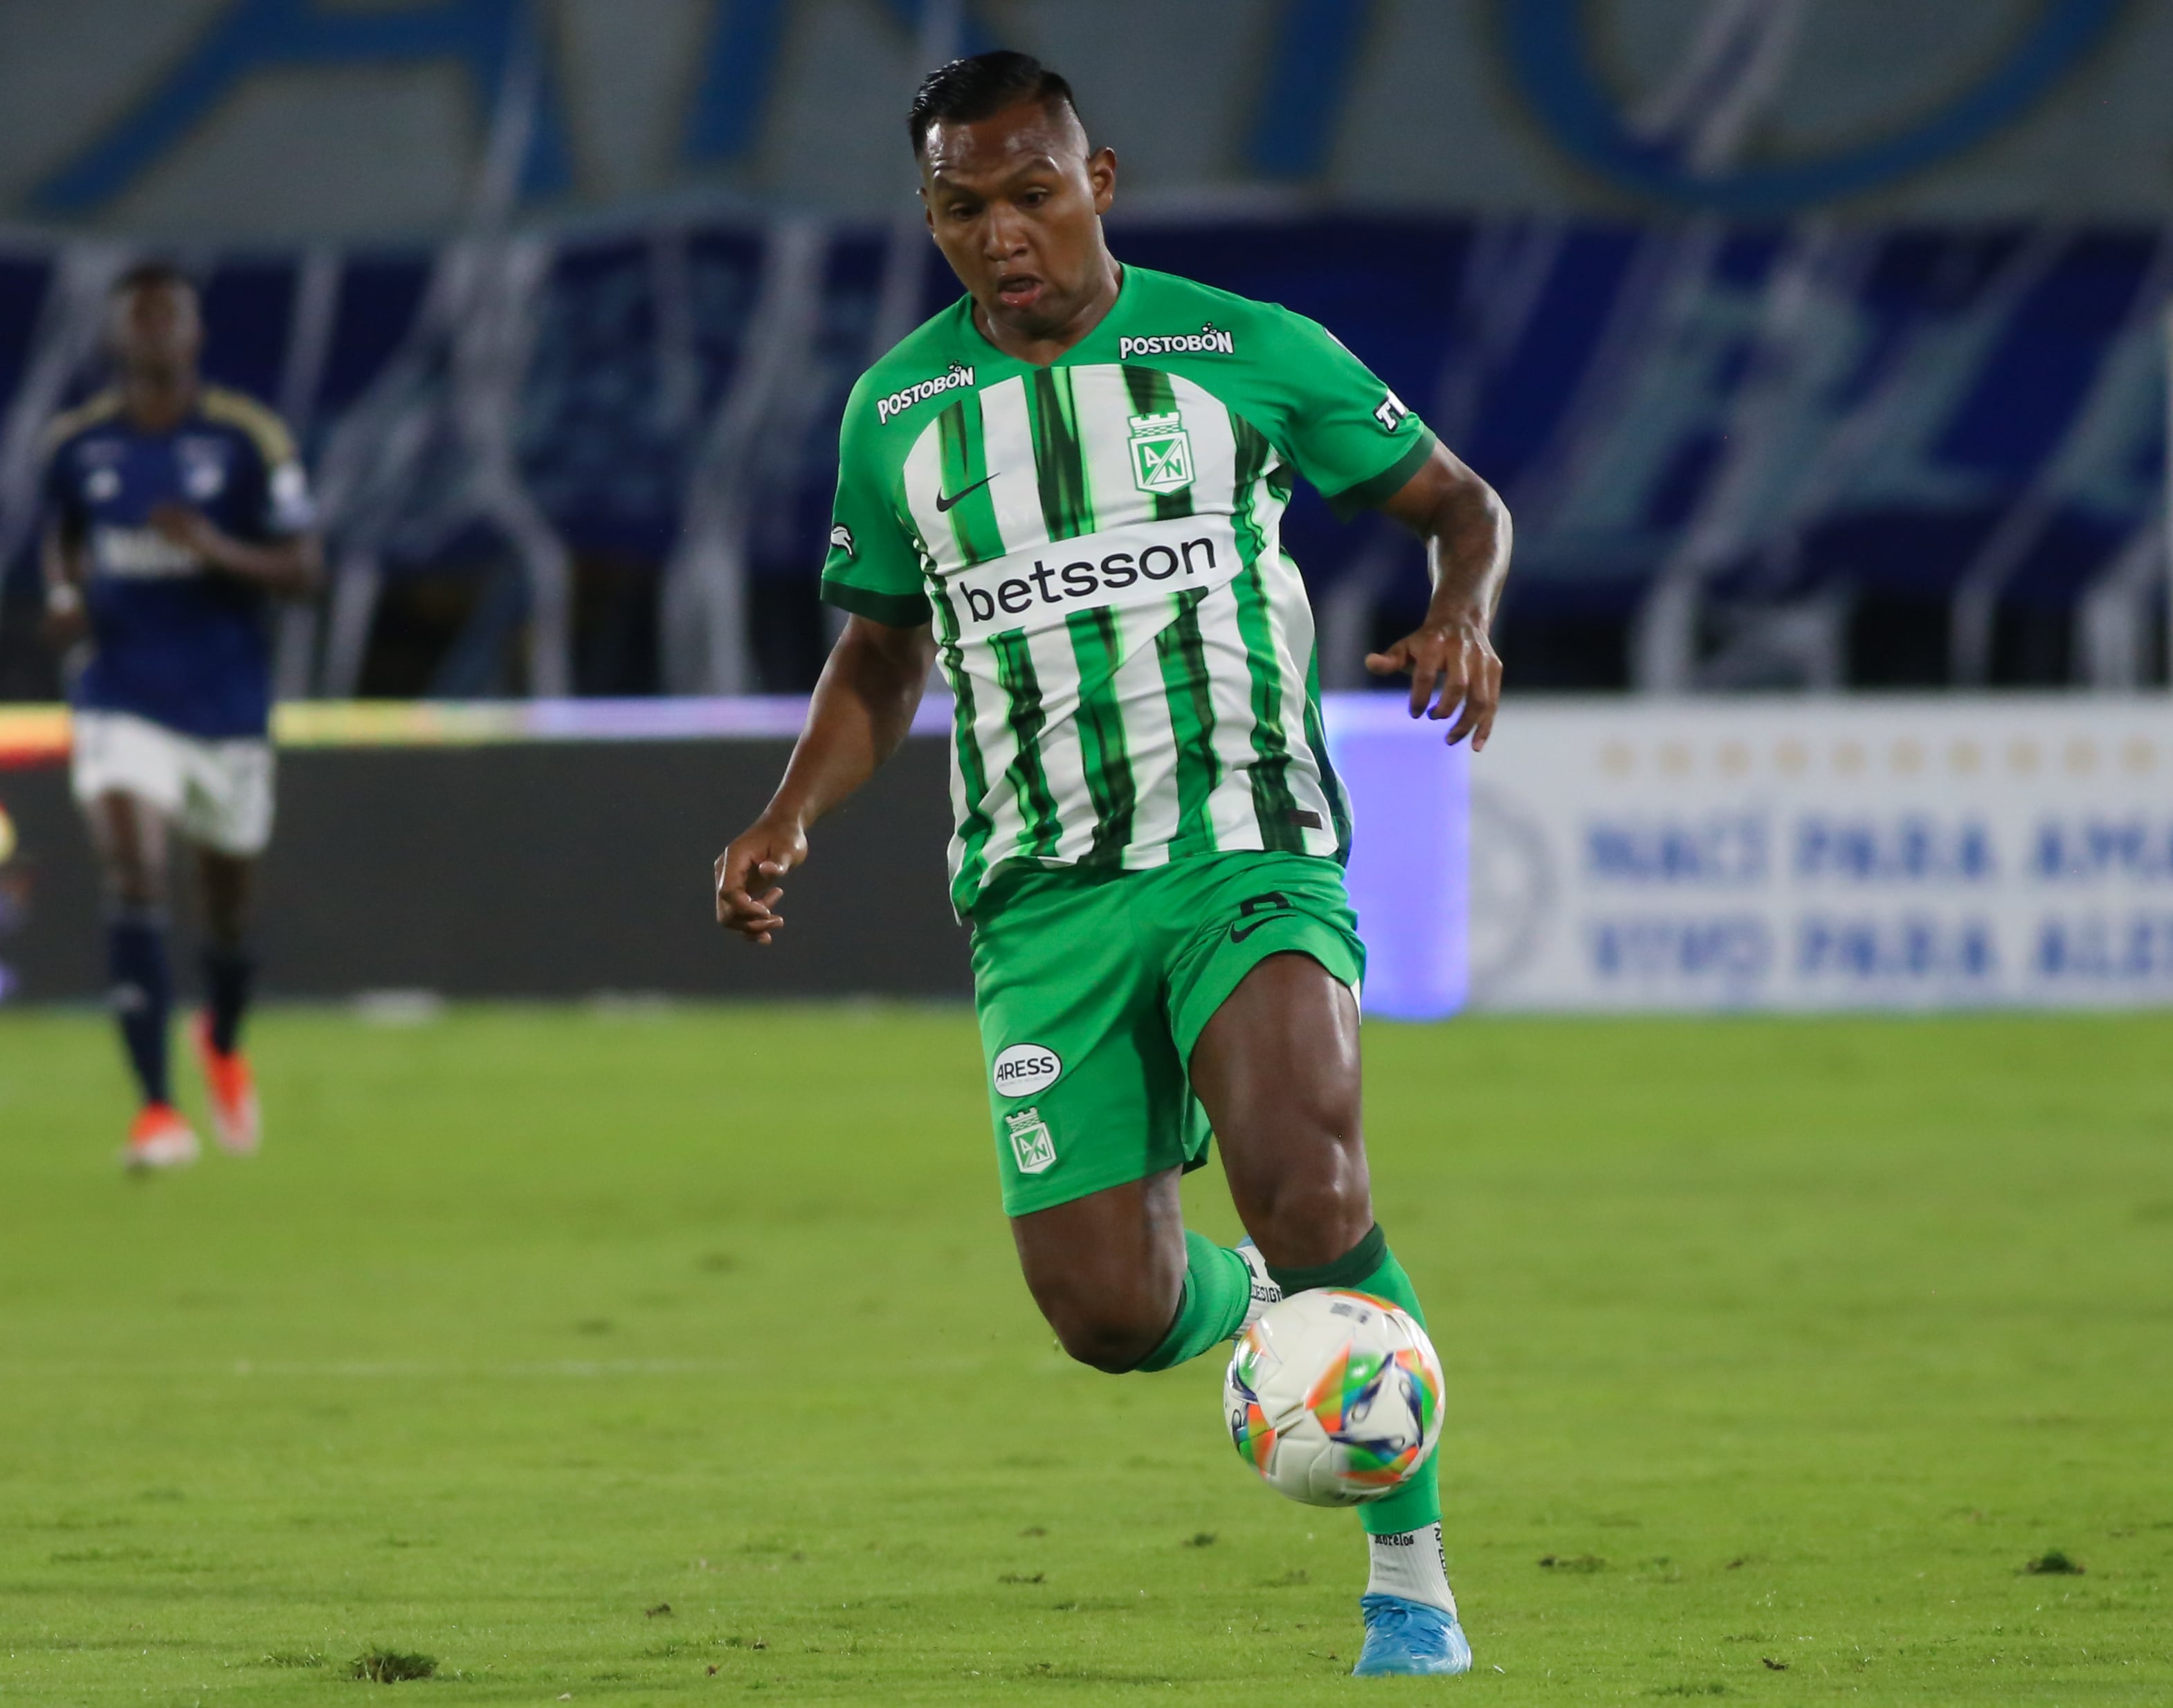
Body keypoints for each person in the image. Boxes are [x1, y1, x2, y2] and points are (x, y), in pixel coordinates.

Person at [714, 53, 1509, 1677]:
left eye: (1030, 192)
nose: (1001, 233)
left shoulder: (1239, 351)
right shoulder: (900, 415)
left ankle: (1409, 1570)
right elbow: (878, 652)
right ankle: (1269, 1333)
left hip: (1244, 842)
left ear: (1100, 181)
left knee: (1308, 1180)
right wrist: (788, 812)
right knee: (1106, 1312)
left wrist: (1460, 609)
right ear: (929, 214)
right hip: (1039, 900)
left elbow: (1457, 502)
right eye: (962, 206)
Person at [39, 262, 321, 1170]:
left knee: (229, 916)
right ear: (117, 335)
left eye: (171, 316)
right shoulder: (78, 446)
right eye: (140, 316)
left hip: (227, 707)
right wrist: (62, 598)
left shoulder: (246, 439)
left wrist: (214, 548)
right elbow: (63, 539)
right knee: (133, 869)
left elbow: (307, 571)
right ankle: (157, 1111)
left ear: (195, 334)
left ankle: (223, 1043)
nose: (156, 330)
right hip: (121, 691)